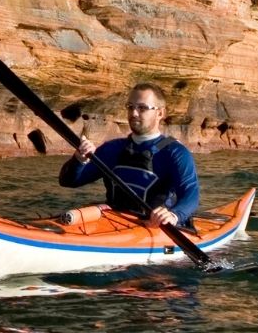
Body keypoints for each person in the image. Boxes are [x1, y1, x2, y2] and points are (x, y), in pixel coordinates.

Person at [58, 81, 198, 227]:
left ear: (160, 113)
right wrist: (79, 160)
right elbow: (68, 182)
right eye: (131, 107)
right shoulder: (111, 149)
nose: (134, 113)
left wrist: (175, 215)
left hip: (154, 226)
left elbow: (191, 194)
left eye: (142, 108)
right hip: (113, 223)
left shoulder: (175, 152)